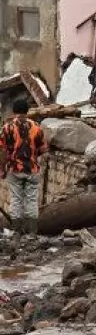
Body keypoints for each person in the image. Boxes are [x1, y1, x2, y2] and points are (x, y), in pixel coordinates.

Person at [0, 99, 47, 236]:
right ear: (27, 111)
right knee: (32, 200)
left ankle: (17, 232)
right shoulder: (37, 128)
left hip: (14, 170)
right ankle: (32, 233)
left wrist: (2, 169)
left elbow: (2, 151)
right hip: (32, 170)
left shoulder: (7, 128)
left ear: (14, 111)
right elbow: (43, 150)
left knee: (16, 200)